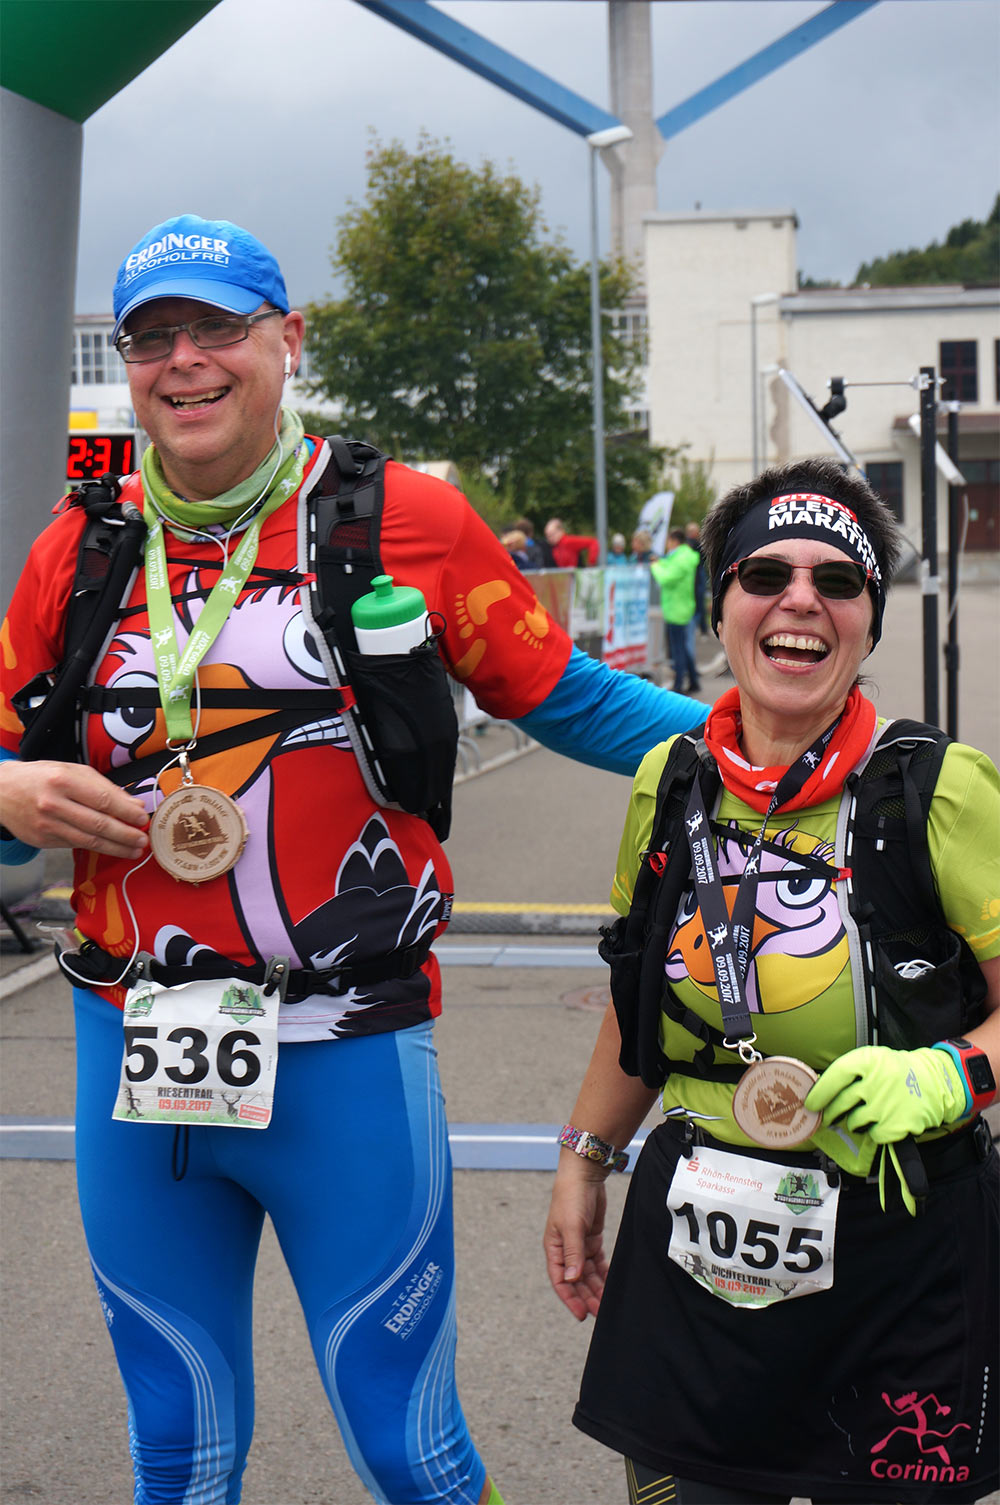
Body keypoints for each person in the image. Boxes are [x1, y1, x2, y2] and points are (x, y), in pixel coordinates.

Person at [0, 214, 709, 1505]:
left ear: (288, 339)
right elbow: (4, 793)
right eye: (154, 337)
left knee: (412, 1452)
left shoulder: (406, 520)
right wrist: (8, 790)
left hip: (348, 1043)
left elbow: (571, 700)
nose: (185, 361)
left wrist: (780, 741)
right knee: (175, 1449)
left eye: (218, 328)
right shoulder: (80, 547)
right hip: (135, 1042)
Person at [544, 458, 999, 1505]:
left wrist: (951, 1073)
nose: (800, 598)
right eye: (764, 573)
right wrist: (582, 1161)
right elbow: (639, 1006)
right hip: (700, 1249)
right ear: (721, 604)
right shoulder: (670, 782)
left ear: (867, 622)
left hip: (902, 1251)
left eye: (838, 581)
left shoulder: (939, 788)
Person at [650, 527, 701, 693]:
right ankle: (693, 681)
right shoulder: (684, 556)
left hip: (675, 609)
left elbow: (666, 578)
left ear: (674, 541)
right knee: (683, 647)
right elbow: (670, 564)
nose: (666, 545)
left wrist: (655, 566)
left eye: (668, 541)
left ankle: (679, 685)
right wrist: (660, 561)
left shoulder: (680, 559)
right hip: (683, 607)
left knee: (677, 649)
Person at [685, 519, 708, 635]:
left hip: (697, 575)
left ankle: (699, 627)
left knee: (698, 603)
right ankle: (700, 628)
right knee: (698, 603)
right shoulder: (695, 545)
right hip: (696, 575)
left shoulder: (691, 545)